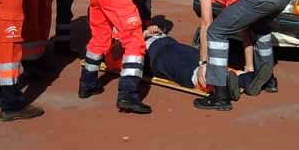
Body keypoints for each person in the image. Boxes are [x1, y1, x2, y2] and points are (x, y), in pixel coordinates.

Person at [194, 0, 292, 111]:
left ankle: (220, 96)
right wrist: (249, 66)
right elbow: (243, 26)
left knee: (216, 32)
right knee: (260, 27)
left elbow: (206, 23)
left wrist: (203, 64)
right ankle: (268, 79)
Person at [105, 25, 273, 98]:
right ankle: (221, 85)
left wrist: (153, 30)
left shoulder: (130, 23)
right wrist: (142, 36)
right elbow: (115, 59)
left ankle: (248, 79)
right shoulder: (111, 42)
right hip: (156, 57)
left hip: (169, 44)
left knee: (206, 61)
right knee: (187, 71)